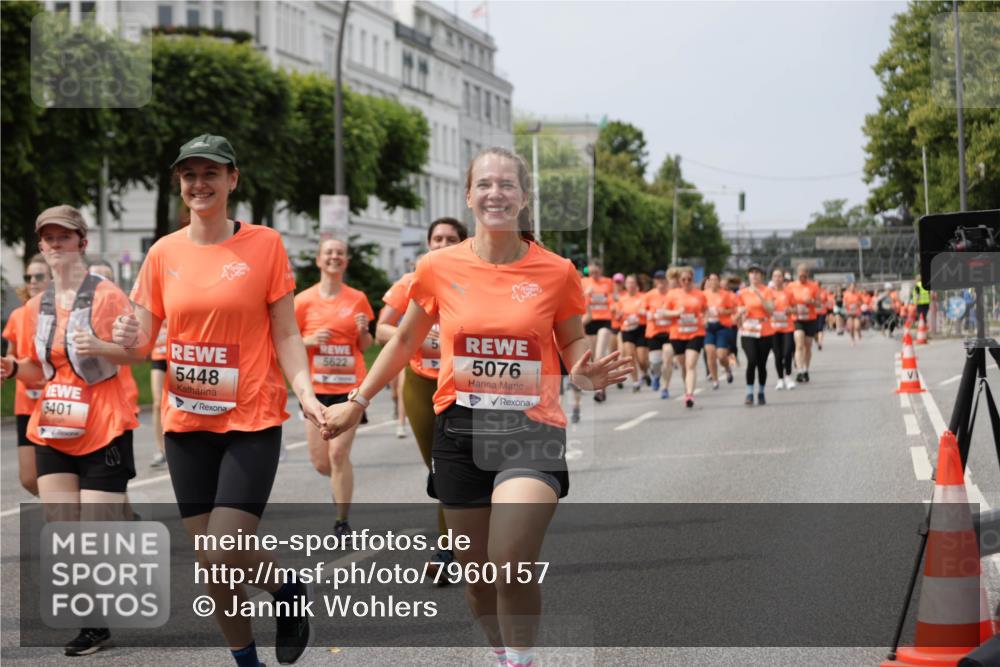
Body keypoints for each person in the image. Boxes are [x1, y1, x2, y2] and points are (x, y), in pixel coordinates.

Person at [320, 147, 631, 667]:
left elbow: (573, 342)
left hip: (530, 428)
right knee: (480, 583)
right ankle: (503, 651)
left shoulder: (556, 272)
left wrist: (582, 369)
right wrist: (358, 400)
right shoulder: (438, 267)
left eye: (507, 184)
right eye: (485, 184)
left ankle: (520, 660)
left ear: (523, 197)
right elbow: (401, 342)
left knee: (508, 564)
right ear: (468, 196)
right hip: (460, 429)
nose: (496, 193)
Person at [114, 135, 324, 667]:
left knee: (221, 547)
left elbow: (285, 333)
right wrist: (121, 334)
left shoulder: (265, 245)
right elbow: (141, 341)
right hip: (186, 421)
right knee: (213, 567)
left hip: (251, 417)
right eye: (189, 175)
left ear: (233, 180)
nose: (199, 184)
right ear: (180, 184)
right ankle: (247, 658)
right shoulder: (163, 253)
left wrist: (306, 393)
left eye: (211, 173)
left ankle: (285, 590)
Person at [1, 206, 140, 656]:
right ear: (41, 245)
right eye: (49, 238)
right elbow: (37, 372)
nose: (57, 245)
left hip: (104, 424)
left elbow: (135, 353)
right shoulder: (31, 309)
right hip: (55, 427)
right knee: (62, 528)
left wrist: (102, 345)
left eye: (66, 237)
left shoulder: (107, 296)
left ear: (82, 242)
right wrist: (11, 368)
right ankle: (93, 624)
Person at [376, 216, 468, 576]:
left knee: (449, 468)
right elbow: (383, 329)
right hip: (420, 382)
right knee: (436, 466)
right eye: (437, 239)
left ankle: (447, 550)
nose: (443, 245)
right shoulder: (411, 282)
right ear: (428, 244)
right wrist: (420, 338)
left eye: (451, 239)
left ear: (463, 245)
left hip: (463, 386)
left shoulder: (472, 283)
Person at [294, 238, 374, 539]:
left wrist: (364, 330)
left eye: (339, 253)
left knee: (338, 454)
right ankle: (339, 482)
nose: (334, 257)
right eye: (328, 252)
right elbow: (286, 344)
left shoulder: (358, 299)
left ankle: (342, 521)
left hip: (350, 388)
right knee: (321, 462)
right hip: (314, 390)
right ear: (318, 260)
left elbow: (366, 345)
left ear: (346, 261)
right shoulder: (302, 301)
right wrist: (310, 341)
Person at [2, 254, 52, 495]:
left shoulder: (61, 313)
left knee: (67, 472)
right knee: (29, 477)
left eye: (39, 276)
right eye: (28, 277)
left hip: (57, 402)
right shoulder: (17, 316)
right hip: (26, 404)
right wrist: (7, 367)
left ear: (52, 280)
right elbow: (11, 355)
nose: (32, 281)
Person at [88, 260, 141, 420]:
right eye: (96, 279)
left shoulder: (123, 311)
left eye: (107, 279)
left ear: (115, 284)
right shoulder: (74, 315)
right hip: (84, 400)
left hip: (120, 400)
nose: (102, 285)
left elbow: (138, 353)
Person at [663, 267, 707, 408]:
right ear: (679, 281)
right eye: (683, 279)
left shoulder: (700, 295)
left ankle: (689, 395)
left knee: (691, 364)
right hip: (677, 334)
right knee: (683, 366)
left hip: (696, 333)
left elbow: (705, 310)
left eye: (689, 279)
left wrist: (705, 319)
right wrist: (676, 313)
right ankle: (687, 388)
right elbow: (664, 312)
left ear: (692, 280)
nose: (686, 282)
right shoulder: (672, 294)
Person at [736, 265, 775, 406]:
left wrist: (759, 296)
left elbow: (771, 310)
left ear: (762, 276)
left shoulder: (768, 291)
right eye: (751, 273)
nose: (754, 275)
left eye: (757, 273)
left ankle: (761, 392)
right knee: (751, 360)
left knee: (761, 364)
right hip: (748, 331)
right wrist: (741, 314)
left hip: (765, 330)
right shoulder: (742, 293)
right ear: (748, 276)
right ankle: (749, 393)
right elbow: (738, 311)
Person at [581, 259, 615, 402]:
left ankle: (600, 390)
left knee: (600, 355)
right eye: (591, 272)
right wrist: (585, 294)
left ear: (601, 270)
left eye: (596, 272)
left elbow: (614, 299)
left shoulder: (608, 282)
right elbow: (576, 300)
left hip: (604, 320)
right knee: (593, 357)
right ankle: (599, 385)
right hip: (589, 321)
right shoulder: (584, 282)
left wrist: (614, 307)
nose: (594, 275)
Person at [787, 263, 821, 383]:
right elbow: (787, 302)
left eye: (804, 274)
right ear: (797, 274)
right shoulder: (791, 286)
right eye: (800, 274)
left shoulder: (813, 286)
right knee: (799, 344)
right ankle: (799, 371)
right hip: (797, 319)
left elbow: (819, 303)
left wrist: (811, 301)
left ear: (807, 274)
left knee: (808, 346)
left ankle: (806, 369)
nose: (802, 276)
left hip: (810, 319)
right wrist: (793, 307)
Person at [642, 269, 673, 397]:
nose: (661, 282)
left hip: (670, 332)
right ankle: (656, 375)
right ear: (655, 282)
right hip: (654, 332)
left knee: (668, 358)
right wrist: (648, 313)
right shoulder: (649, 295)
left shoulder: (672, 295)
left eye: (663, 280)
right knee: (655, 362)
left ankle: (665, 387)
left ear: (667, 281)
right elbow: (641, 310)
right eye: (658, 280)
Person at [703, 272, 736, 389]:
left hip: (722, 326)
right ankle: (715, 380)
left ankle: (727, 368)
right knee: (710, 352)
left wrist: (723, 311)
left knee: (721, 355)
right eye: (711, 280)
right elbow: (699, 310)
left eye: (715, 280)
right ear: (708, 282)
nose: (713, 282)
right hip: (708, 327)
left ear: (719, 281)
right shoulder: (703, 295)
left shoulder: (725, 295)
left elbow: (732, 310)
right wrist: (703, 317)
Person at [616, 274, 649, 392]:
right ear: (625, 285)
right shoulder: (622, 299)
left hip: (640, 329)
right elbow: (617, 317)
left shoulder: (643, 297)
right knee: (629, 356)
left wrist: (643, 312)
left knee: (642, 359)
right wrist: (619, 316)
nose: (630, 285)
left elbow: (648, 310)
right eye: (628, 283)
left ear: (636, 285)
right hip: (627, 329)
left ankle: (645, 371)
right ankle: (635, 382)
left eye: (632, 283)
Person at [769, 268, 796, 390]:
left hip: (787, 327)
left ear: (783, 279)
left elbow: (796, 308)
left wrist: (790, 310)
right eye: (775, 276)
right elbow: (764, 309)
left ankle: (788, 377)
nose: (777, 279)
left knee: (787, 352)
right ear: (772, 278)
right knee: (778, 355)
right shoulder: (768, 293)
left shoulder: (788, 292)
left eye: (779, 276)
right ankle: (780, 379)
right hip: (773, 328)